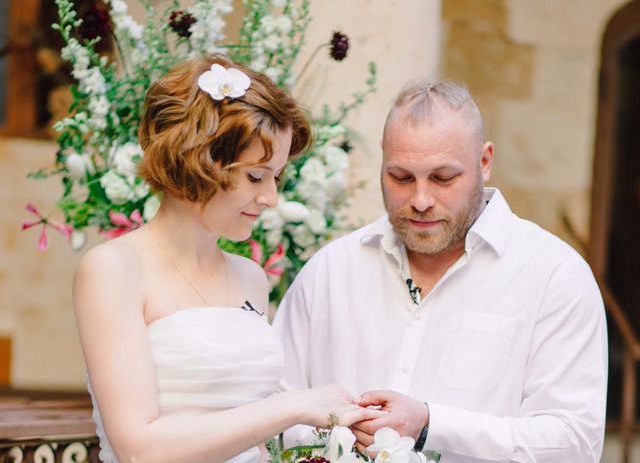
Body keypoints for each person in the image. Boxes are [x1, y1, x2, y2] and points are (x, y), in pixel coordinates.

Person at [273, 81, 608, 462]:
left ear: (485, 162)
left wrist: (430, 425)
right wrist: (332, 434)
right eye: (400, 177)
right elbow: (273, 410)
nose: (420, 200)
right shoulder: (330, 270)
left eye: (443, 178)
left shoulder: (555, 276)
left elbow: (574, 443)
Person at [73, 55, 382, 463]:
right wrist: (294, 406)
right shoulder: (113, 270)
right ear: (198, 161)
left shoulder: (251, 277)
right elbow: (139, 449)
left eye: (277, 176)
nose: (271, 198)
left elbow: (248, 433)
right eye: (256, 177)